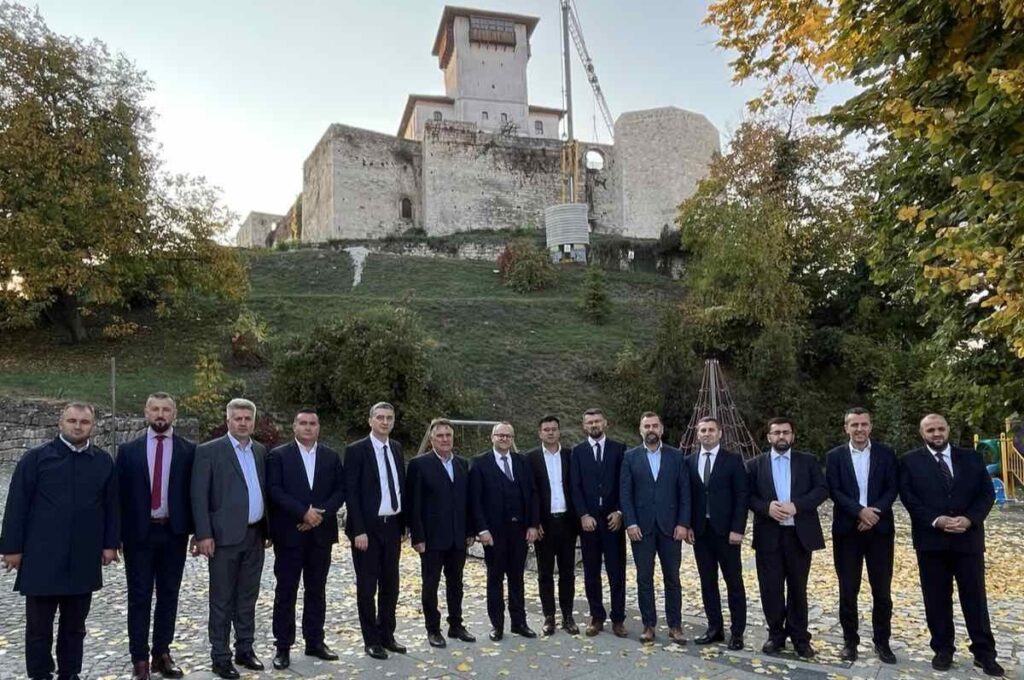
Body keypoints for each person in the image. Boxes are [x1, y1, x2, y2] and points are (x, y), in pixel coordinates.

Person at [0, 402, 119, 680]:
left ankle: (70, 672)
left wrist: (110, 544)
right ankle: (40, 673)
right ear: (60, 422)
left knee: (75, 626)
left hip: (83, 556)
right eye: (72, 421)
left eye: (84, 422)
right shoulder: (36, 459)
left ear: (93, 426)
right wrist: (11, 548)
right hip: (41, 556)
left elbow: (112, 507)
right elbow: (17, 504)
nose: (78, 426)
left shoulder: (103, 461)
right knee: (38, 627)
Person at [899, 414, 1003, 677]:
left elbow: (986, 493)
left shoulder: (972, 458)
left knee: (975, 598)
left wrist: (970, 519)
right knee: (936, 599)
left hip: (968, 540)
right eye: (930, 430)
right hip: (931, 542)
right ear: (922, 433)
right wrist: (936, 520)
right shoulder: (910, 461)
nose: (936, 434)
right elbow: (909, 497)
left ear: (948, 430)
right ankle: (943, 650)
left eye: (940, 428)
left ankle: (984, 653)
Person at [117, 393, 195, 680]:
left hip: (174, 533)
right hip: (139, 533)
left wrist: (198, 532)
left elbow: (195, 494)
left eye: (166, 409)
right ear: (146, 412)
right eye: (155, 409)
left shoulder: (189, 450)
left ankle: (162, 653)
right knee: (139, 596)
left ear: (174, 413)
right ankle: (139, 659)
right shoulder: (128, 451)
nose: (160, 414)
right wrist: (115, 537)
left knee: (169, 594)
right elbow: (118, 496)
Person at [191, 398, 269, 679]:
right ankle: (220, 656)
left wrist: (268, 529)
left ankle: (245, 649)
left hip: (255, 535)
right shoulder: (209, 451)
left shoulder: (260, 451)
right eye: (238, 418)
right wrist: (203, 534)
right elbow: (199, 496)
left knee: (248, 597)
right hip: (223, 538)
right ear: (228, 421)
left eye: (248, 418)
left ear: (253, 421)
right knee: (222, 600)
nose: (243, 423)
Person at [266, 409, 346, 670]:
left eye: (313, 423)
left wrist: (319, 515)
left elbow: (340, 490)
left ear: (318, 427)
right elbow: (274, 490)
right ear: (294, 426)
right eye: (303, 423)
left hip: (321, 535)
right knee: (286, 591)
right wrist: (303, 513)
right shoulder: (279, 455)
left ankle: (315, 641)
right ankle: (283, 646)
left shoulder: (330, 456)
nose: (308, 427)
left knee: (317, 590)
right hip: (290, 534)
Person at [747, 417, 827, 659]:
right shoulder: (754, 465)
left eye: (786, 432)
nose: (781, 436)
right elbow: (747, 496)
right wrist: (766, 508)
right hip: (768, 535)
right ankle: (776, 635)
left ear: (793, 436)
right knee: (770, 588)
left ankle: (800, 637)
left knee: (798, 588)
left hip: (799, 535)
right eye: (776, 433)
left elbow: (822, 490)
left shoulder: (808, 461)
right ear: (769, 437)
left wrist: (797, 506)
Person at [824, 407, 898, 664]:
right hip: (848, 530)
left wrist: (874, 514)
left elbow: (892, 487)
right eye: (854, 425)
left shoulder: (886, 453)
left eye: (864, 424)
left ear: (870, 426)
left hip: (880, 530)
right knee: (848, 589)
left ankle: (882, 642)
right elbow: (834, 490)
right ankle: (850, 641)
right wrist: (859, 511)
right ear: (846, 428)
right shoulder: (835, 456)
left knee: (882, 590)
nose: (859, 429)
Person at [343, 402, 407, 660]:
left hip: (392, 526)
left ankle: (387, 634)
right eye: (380, 417)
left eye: (389, 418)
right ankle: (371, 640)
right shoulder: (356, 450)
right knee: (367, 586)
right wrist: (358, 530)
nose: (385, 422)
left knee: (391, 584)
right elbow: (351, 492)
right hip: (367, 529)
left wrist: (403, 524)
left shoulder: (396, 448)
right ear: (370, 420)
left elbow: (400, 485)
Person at [620, 412, 690, 644]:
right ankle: (648, 625)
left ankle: (675, 626)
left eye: (655, 425)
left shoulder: (676, 456)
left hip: (671, 528)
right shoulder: (630, 457)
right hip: (641, 528)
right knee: (644, 578)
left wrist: (683, 523)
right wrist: (630, 522)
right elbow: (625, 493)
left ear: (661, 429)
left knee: (673, 578)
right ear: (641, 430)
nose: (651, 429)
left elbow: (684, 492)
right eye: (646, 426)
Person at [406, 418, 476, 648]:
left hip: (458, 537)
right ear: (431, 439)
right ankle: (433, 629)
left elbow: (468, 501)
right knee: (431, 585)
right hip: (431, 539)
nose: (445, 439)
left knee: (456, 584)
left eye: (448, 435)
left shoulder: (462, 464)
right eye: (440, 436)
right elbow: (413, 504)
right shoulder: (419, 465)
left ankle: (456, 625)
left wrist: (470, 530)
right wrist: (418, 537)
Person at [469, 422, 540, 641]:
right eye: (500, 435)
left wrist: (533, 525)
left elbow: (533, 494)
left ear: (512, 439)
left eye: (508, 436)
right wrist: (482, 529)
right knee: (495, 578)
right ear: (492, 437)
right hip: (494, 533)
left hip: (520, 531)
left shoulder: (522, 461)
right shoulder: (480, 463)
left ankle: (519, 623)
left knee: (517, 578)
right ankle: (497, 625)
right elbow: (475, 500)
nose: (504, 439)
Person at [683, 416, 748, 651]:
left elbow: (742, 496)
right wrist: (688, 525)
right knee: (707, 582)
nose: (707, 433)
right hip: (701, 532)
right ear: (697, 434)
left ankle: (737, 632)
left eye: (711, 430)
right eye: (703, 430)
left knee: (734, 583)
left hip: (727, 533)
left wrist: (738, 529)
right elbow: (687, 496)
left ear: (720, 433)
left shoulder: (733, 460)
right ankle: (714, 628)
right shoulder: (689, 461)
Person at [569, 408, 628, 638]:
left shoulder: (619, 449)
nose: (594, 425)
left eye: (597, 421)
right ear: (584, 426)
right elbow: (574, 486)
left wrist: (620, 512)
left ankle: (618, 619)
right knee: (591, 572)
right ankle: (596, 617)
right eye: (590, 422)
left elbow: (624, 483)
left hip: (613, 521)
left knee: (616, 572)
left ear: (605, 423)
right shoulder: (577, 452)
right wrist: (583, 514)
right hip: (589, 523)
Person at [526, 415, 579, 636]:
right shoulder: (531, 458)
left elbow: (576, 486)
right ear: (540, 433)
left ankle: (568, 616)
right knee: (545, 573)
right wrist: (534, 522)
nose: (550, 432)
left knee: (568, 573)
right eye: (546, 429)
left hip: (567, 522)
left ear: (559, 431)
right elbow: (530, 493)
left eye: (554, 429)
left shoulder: (570, 455)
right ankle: (549, 617)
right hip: (544, 525)